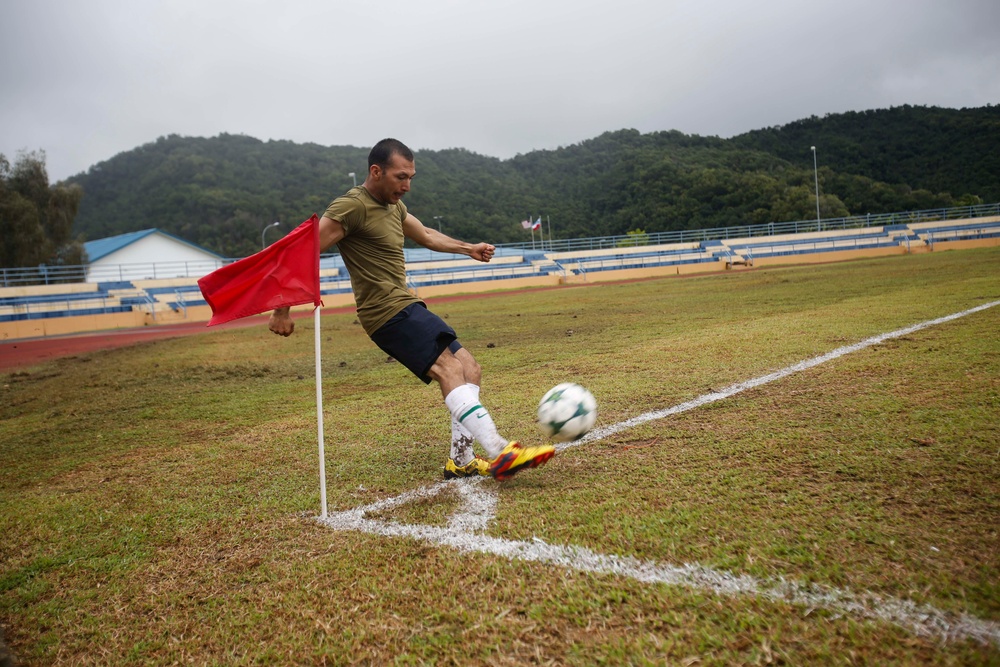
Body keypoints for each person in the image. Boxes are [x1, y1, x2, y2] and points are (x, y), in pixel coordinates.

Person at [268, 138, 554, 481]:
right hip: (384, 312)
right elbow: (303, 249)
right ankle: (500, 450)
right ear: (376, 172)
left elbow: (428, 234)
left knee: (470, 368)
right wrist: (281, 308)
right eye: (400, 177)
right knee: (449, 369)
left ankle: (460, 461)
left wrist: (469, 248)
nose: (406, 186)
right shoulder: (351, 206)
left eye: (411, 178)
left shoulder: (394, 207)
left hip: (406, 303)